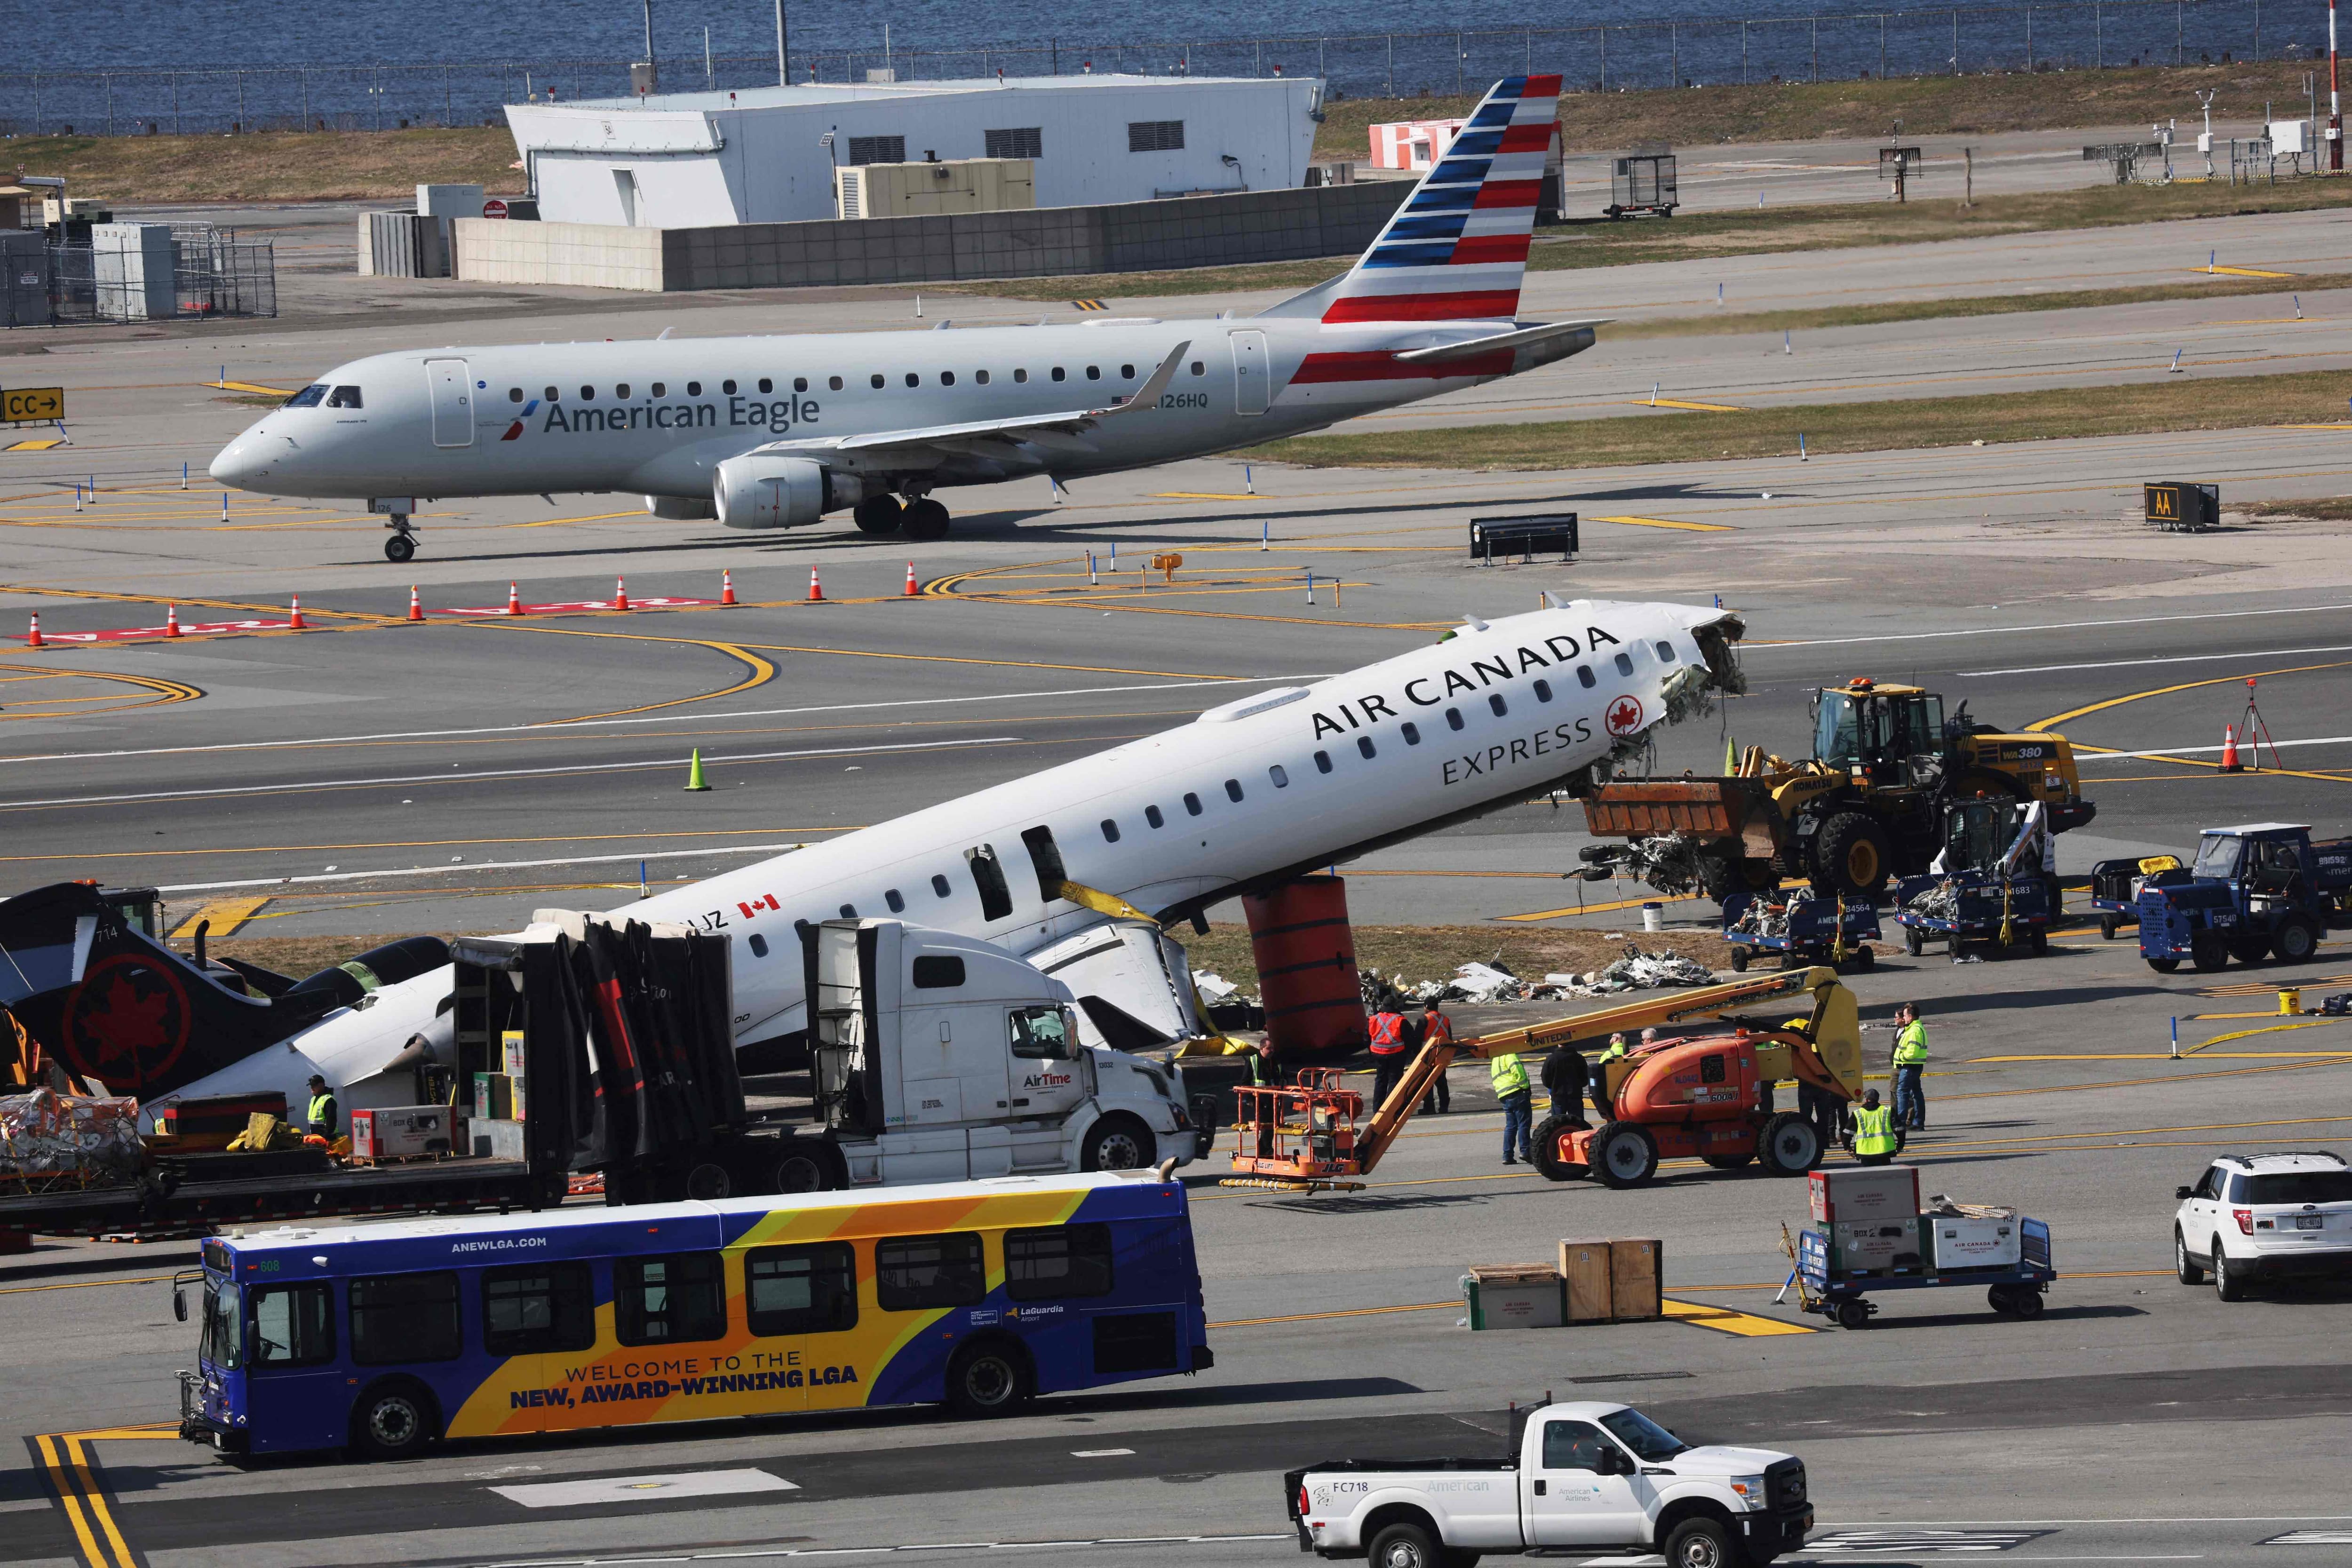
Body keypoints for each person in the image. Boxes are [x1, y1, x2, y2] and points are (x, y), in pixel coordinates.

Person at [1492, 1050, 1534, 1164]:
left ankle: (1507, 1155)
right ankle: (1525, 1151)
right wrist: (1525, 1087)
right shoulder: (1509, 1055)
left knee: (1511, 1126)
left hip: (1504, 1096)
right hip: (1518, 1093)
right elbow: (1518, 1071)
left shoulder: (1495, 1059)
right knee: (1524, 1124)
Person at [1892, 1002, 1929, 1130]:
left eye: (1906, 1015)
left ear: (1911, 1017)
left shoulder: (1914, 1031)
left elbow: (1912, 1052)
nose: (1904, 1018)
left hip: (1909, 1066)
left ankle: (1901, 1123)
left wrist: (1901, 1057)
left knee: (1902, 1093)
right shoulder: (1915, 1028)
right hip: (1914, 1067)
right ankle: (1918, 1123)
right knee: (1917, 1094)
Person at [1367, 1003, 1408, 1112]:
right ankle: (1391, 1108)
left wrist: (1371, 1053)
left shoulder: (1373, 1019)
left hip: (1378, 1054)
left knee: (1380, 1080)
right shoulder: (1400, 1020)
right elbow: (1410, 1037)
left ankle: (1377, 1109)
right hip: (1396, 1054)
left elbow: (1367, 1037)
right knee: (1394, 1081)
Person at [1541, 1041, 1589, 1125]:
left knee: (1557, 1124)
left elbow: (1545, 1078)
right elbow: (1585, 1078)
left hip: (1558, 1096)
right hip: (1575, 1095)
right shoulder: (1579, 1058)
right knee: (1578, 1123)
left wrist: (1553, 1087)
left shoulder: (1551, 1059)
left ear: (1559, 1044)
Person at [1418, 1002, 1453, 1114]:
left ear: (1426, 1007)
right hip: (1441, 1053)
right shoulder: (1446, 1019)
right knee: (1441, 1081)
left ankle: (1429, 1107)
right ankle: (1444, 1107)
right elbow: (1450, 1038)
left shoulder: (1424, 1019)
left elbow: (1418, 1038)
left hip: (1428, 1055)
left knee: (1427, 1082)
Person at [1849, 1089, 1898, 1166]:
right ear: (1878, 1099)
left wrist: (1847, 1148)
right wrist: (1900, 1146)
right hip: (1885, 1151)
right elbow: (1900, 1130)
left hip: (1864, 1152)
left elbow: (1847, 1133)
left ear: (1867, 1099)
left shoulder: (1858, 1113)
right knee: (1886, 1176)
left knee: (1869, 1177)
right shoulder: (1887, 1111)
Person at [1593, 1033, 1628, 1122]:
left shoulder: (1609, 1054)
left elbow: (1598, 1071)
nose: (1610, 1040)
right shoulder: (1629, 1052)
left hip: (1610, 1089)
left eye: (1611, 1038)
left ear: (1616, 1039)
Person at [303, 1074, 339, 1139]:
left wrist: (325, 1137)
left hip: (326, 1139)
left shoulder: (328, 1100)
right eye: (311, 1086)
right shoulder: (313, 1099)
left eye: (314, 1086)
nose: (312, 1088)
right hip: (316, 1138)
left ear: (321, 1086)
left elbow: (331, 1121)